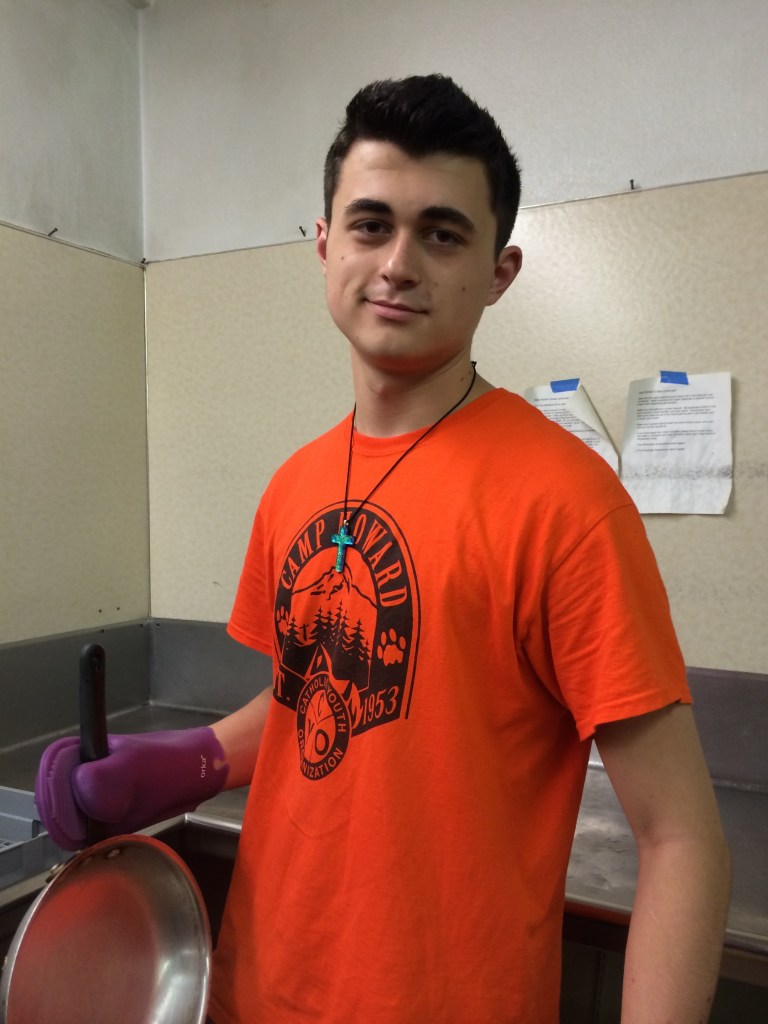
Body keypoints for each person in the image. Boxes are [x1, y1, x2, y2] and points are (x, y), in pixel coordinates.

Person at [35, 74, 731, 1023]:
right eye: (370, 224)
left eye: (442, 233)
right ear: (323, 246)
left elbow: (683, 840)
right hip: (262, 989)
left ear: (499, 272)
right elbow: (308, 703)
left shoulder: (566, 500)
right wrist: (180, 762)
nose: (399, 262)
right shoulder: (295, 486)